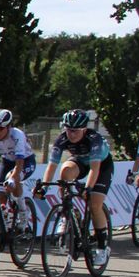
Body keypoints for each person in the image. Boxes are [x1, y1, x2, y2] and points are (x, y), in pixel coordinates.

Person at [35, 108, 114, 262]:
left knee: (94, 204)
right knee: (65, 171)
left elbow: (94, 169)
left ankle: (102, 246)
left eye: (75, 131)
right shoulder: (62, 139)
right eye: (68, 130)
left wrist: (88, 188)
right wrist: (43, 186)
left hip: (101, 166)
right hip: (81, 162)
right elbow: (52, 166)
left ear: (84, 129)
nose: (71, 134)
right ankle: (68, 211)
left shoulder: (94, 139)